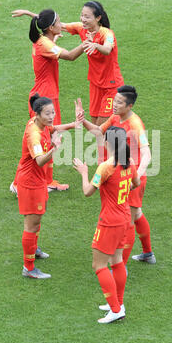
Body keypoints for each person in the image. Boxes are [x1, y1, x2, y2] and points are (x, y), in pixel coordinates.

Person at [75, 85, 156, 266]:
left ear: (130, 106)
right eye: (114, 100)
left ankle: (121, 266)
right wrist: (83, 120)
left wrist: (134, 177)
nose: (114, 104)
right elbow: (98, 131)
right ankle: (148, 253)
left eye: (119, 102)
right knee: (136, 215)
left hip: (130, 177)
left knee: (128, 223)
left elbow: (147, 154)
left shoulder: (135, 124)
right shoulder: (115, 117)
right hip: (122, 175)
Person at [10, 8, 85, 194]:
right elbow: (70, 56)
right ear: (51, 27)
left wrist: (29, 13)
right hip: (45, 98)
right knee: (41, 142)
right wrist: (87, 42)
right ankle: (19, 183)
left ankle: (47, 181)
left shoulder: (44, 40)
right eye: (59, 22)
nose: (62, 24)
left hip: (46, 96)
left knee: (49, 138)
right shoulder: (44, 44)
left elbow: (43, 24)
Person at [73, 126, 140, 323]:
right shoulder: (129, 163)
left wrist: (83, 172)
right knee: (117, 261)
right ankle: (119, 303)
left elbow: (87, 191)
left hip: (109, 222)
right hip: (125, 218)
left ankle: (115, 309)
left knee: (99, 265)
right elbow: (135, 183)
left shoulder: (106, 167)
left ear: (108, 143)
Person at [18, 93, 80, 279]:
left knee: (36, 219)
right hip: (30, 183)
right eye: (48, 113)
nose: (51, 116)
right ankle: (29, 268)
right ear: (37, 114)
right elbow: (39, 161)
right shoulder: (34, 134)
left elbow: (52, 128)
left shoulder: (38, 124)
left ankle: (33, 249)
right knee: (32, 223)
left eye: (52, 112)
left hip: (37, 181)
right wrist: (54, 148)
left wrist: (73, 125)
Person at [61, 1, 124, 126]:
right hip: (95, 85)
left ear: (98, 18)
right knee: (96, 128)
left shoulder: (107, 33)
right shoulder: (82, 28)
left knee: (101, 128)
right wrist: (31, 14)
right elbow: (58, 25)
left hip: (111, 86)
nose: (83, 19)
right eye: (82, 15)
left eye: (87, 17)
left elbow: (107, 49)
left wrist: (95, 45)